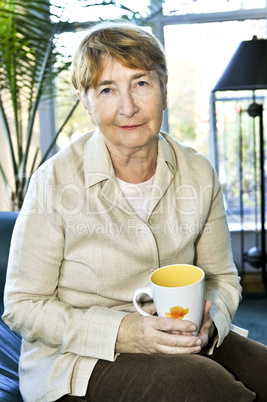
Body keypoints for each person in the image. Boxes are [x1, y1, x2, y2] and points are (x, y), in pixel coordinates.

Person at [2, 20, 267, 402]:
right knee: (199, 385)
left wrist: (212, 322)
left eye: (140, 83)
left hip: (185, 332)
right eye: (107, 89)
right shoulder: (54, 182)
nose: (128, 107)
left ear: (163, 89)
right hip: (79, 356)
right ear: (86, 102)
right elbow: (22, 306)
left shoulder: (198, 172)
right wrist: (125, 331)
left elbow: (222, 278)